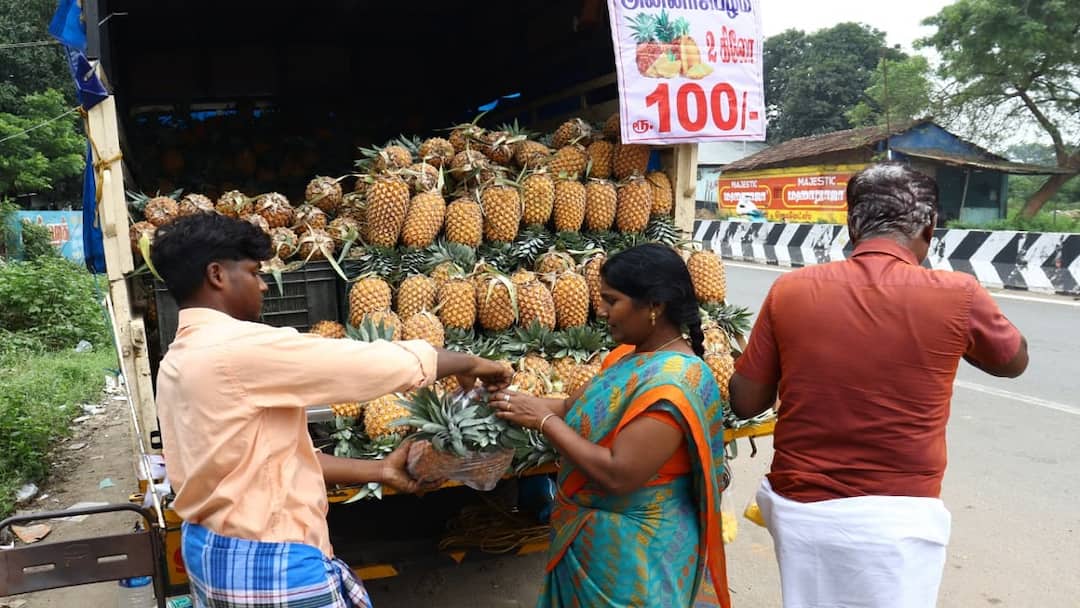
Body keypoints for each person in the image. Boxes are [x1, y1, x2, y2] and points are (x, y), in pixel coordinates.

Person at [150, 213, 511, 608]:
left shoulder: (176, 360)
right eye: (255, 272)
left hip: (211, 551)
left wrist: (378, 469)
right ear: (217, 275)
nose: (264, 284)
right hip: (270, 565)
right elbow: (366, 364)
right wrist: (470, 363)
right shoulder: (236, 349)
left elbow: (266, 462)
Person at [729, 163, 1029, 608]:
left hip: (801, 512)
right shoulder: (958, 293)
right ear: (929, 226)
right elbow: (1012, 362)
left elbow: (746, 400)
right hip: (901, 518)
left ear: (851, 225)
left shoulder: (789, 290)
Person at [493, 243, 732, 608]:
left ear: (654, 305)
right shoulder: (626, 358)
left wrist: (542, 421)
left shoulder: (675, 382)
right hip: (596, 544)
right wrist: (501, 401)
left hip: (636, 556)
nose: (600, 310)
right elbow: (569, 407)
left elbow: (620, 474)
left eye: (611, 299)